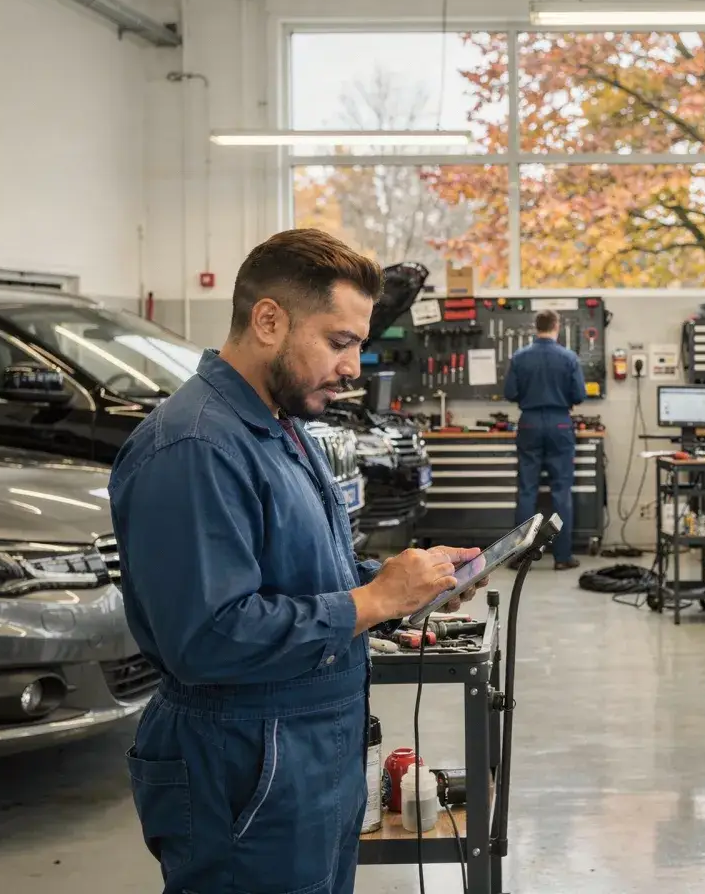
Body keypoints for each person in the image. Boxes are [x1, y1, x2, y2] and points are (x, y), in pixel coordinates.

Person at [108, 228, 485, 894]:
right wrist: (373, 601)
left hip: (308, 753)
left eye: (359, 347)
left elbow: (306, 582)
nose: (353, 368)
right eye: (339, 343)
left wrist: (399, 597)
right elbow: (208, 635)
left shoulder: (281, 428)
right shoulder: (194, 447)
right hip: (246, 763)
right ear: (268, 320)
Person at [503, 308, 587, 570]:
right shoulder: (569, 357)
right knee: (561, 492)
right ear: (556, 326)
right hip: (560, 422)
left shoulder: (519, 357)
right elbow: (580, 394)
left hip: (529, 422)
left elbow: (510, 392)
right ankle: (562, 558)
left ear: (535, 326)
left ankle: (520, 556)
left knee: (527, 490)